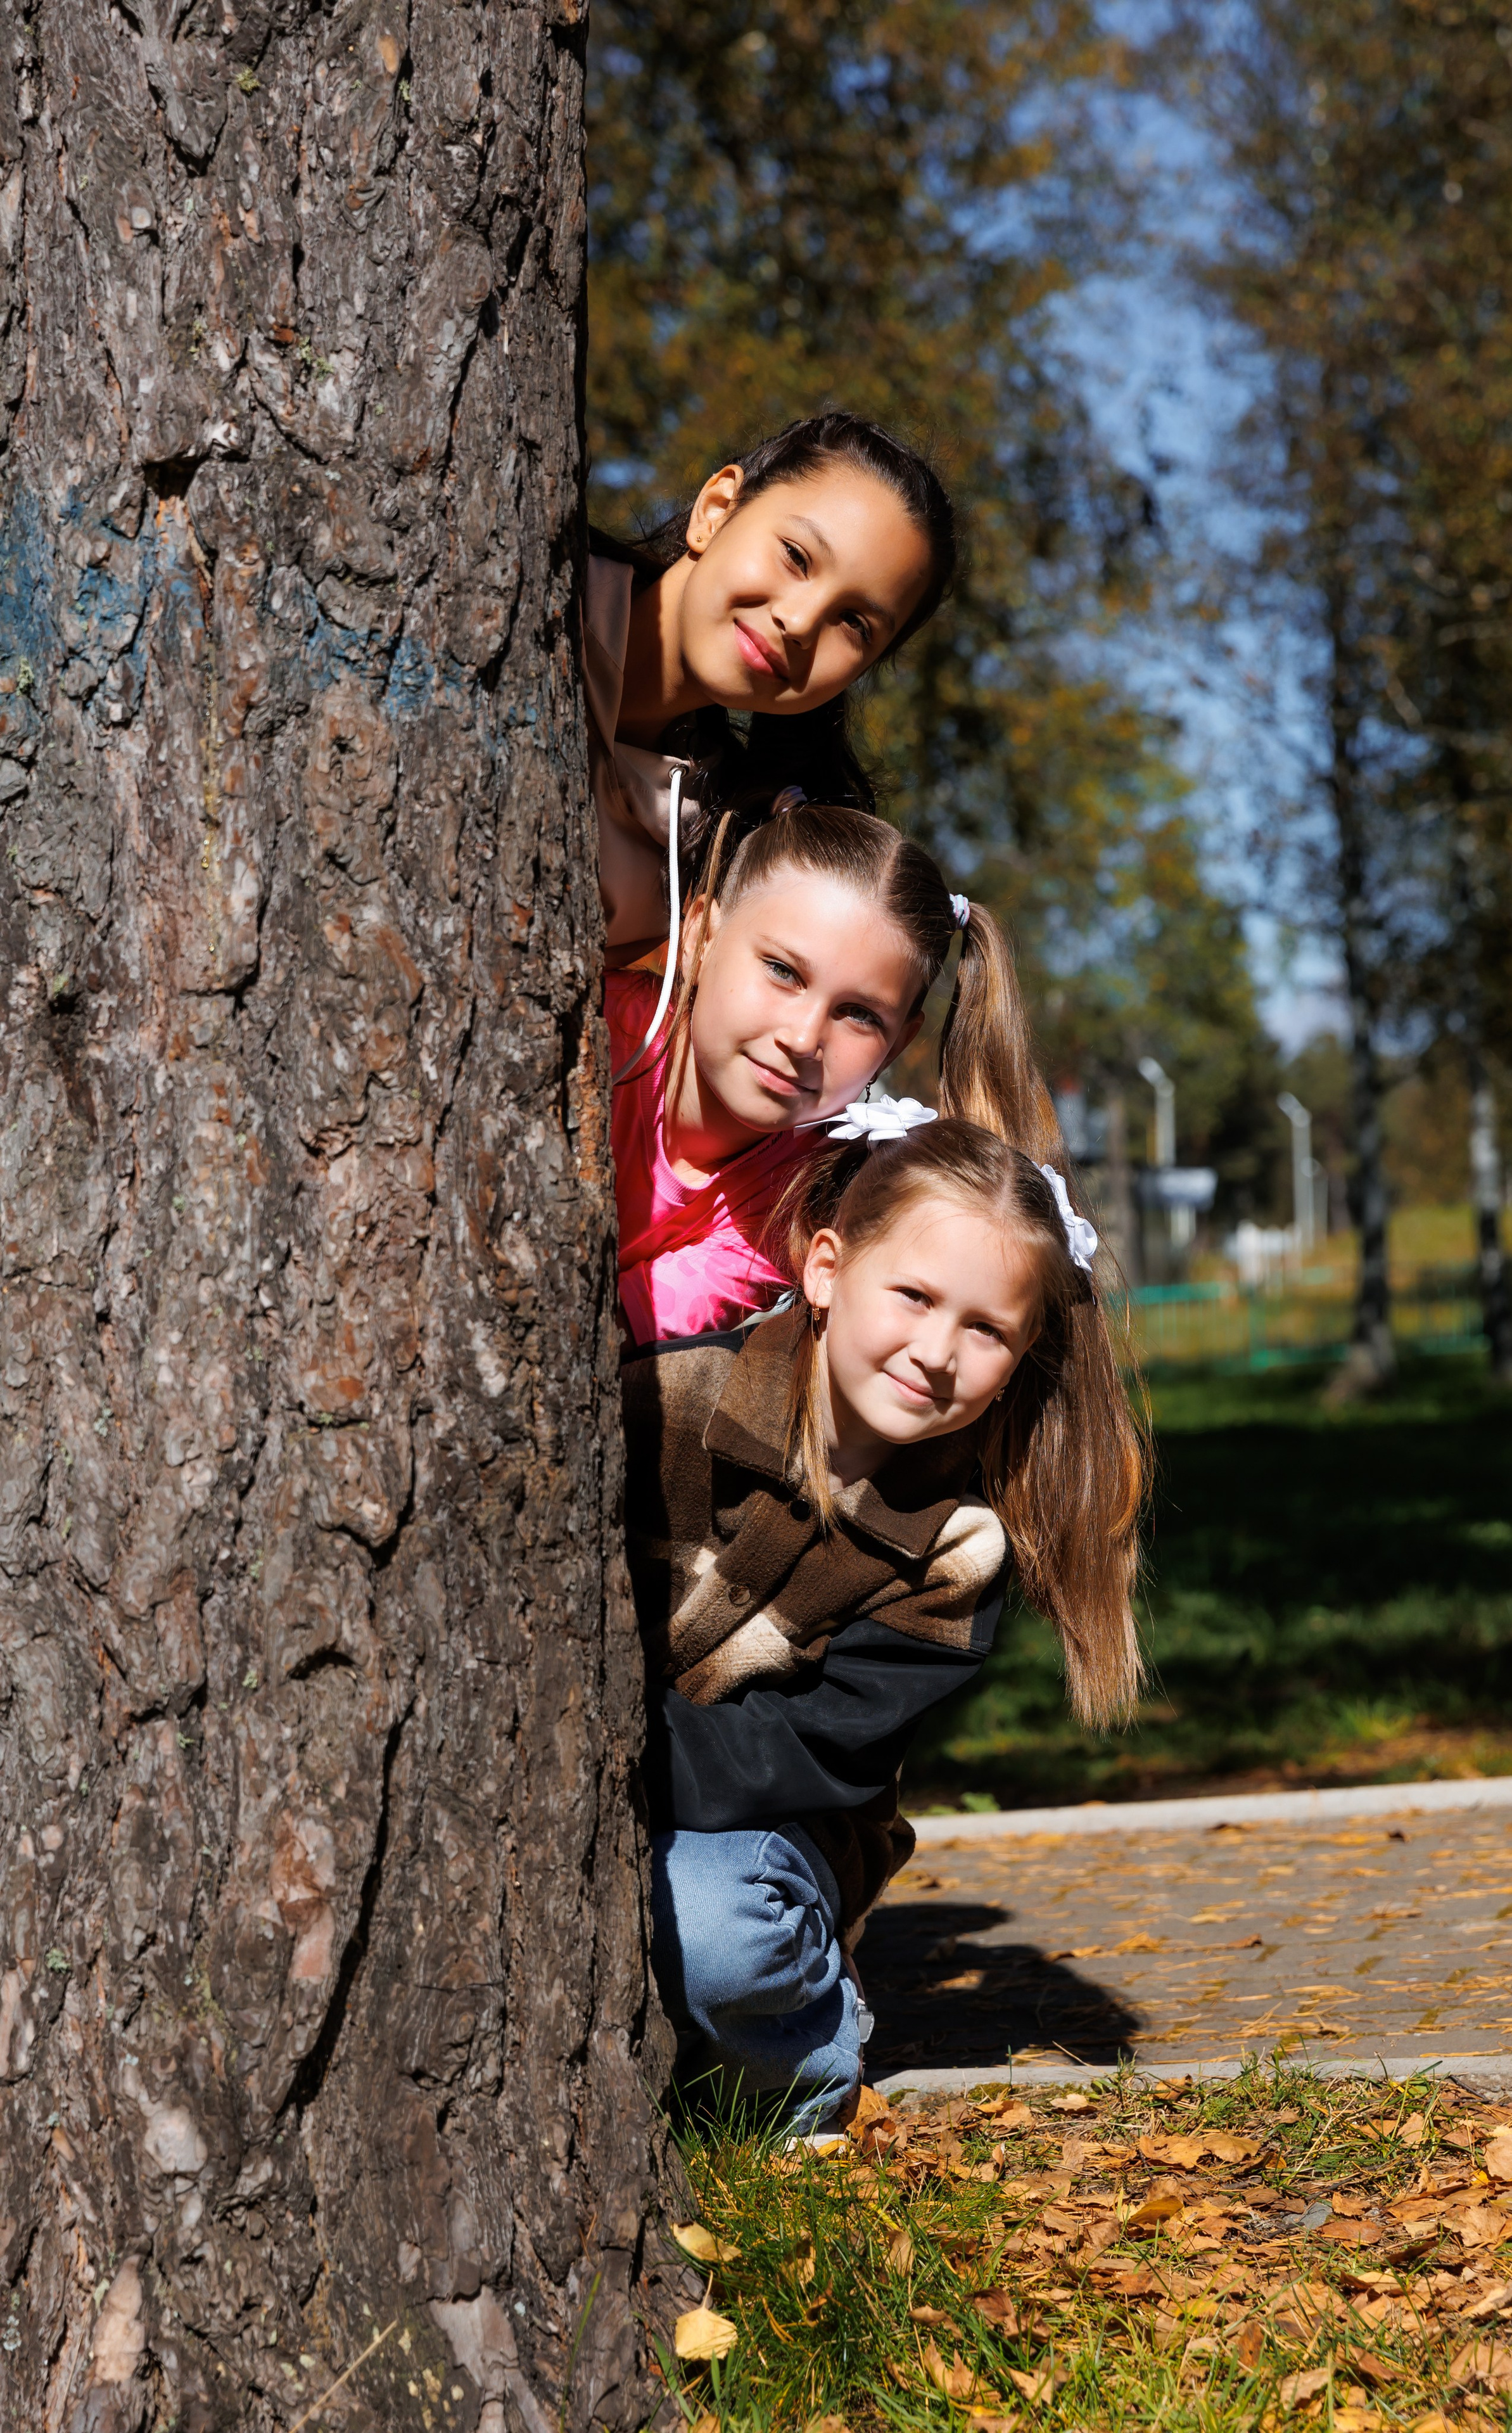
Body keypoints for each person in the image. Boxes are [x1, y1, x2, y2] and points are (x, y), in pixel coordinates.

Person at [621, 1113, 1145, 2135]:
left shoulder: (957, 1552)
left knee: (710, 1922)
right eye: (913, 1296)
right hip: (623, 1795)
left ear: (1023, 1349)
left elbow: (797, 1758)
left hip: (760, 1839)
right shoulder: (670, 1401)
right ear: (825, 1268)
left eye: (985, 1329)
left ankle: (807, 2062)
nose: (937, 1352)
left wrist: (607, 1758)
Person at [610, 795, 1065, 1346]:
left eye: (859, 1015)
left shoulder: (801, 1203)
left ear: (898, 1044)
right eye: (782, 971)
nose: (802, 1039)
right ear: (701, 937)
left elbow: (603, 1323)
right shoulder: (588, 1029)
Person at [585, 411, 957, 970]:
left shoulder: (712, 869)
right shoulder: (527, 596)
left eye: (854, 623)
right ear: (715, 511)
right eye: (797, 556)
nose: (803, 622)